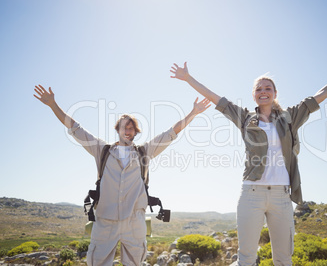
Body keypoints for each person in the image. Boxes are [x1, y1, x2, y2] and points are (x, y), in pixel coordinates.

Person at [170, 59, 327, 266]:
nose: (263, 91)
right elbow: (217, 99)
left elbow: (317, 98)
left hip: (282, 196)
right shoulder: (244, 118)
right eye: (259, 89)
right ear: (254, 95)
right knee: (246, 258)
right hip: (251, 194)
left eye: (268, 88)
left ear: (275, 93)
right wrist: (189, 78)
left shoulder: (290, 117)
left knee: (283, 258)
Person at [34, 84, 211, 266]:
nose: (127, 131)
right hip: (105, 220)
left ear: (135, 132)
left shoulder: (145, 152)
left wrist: (193, 113)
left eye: (131, 128)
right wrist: (53, 105)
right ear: (117, 129)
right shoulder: (101, 150)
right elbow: (76, 129)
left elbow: (170, 134)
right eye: (124, 127)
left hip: (134, 222)